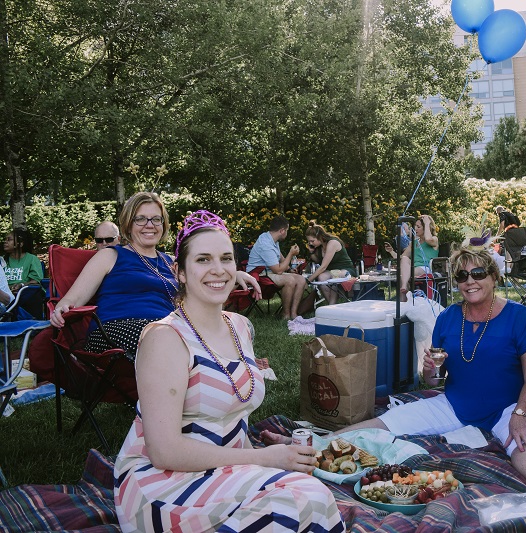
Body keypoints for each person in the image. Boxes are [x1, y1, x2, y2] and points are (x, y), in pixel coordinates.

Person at [265, 245, 526, 500]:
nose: (470, 281)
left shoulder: (517, 315)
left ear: (492, 276)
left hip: (511, 405)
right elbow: (435, 381)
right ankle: (304, 447)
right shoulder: (449, 317)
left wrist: (521, 414)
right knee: (377, 425)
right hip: (456, 403)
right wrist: (430, 371)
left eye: (478, 273)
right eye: (462, 275)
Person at [114, 210, 344, 533]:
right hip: (161, 484)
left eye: (226, 258)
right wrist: (266, 461)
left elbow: (235, 422)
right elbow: (163, 451)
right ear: (179, 272)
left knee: (306, 496)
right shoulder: (164, 338)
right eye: (203, 260)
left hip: (221, 469)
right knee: (302, 501)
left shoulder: (241, 327)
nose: (218, 270)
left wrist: (263, 464)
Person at [50, 192, 260, 354]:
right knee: (165, 336)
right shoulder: (111, 256)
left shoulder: (170, 262)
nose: (149, 225)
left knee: (238, 325)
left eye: (156, 219)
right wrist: (62, 307)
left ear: (163, 224)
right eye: (140, 219)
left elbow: (200, 285)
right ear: (128, 225)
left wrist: (234, 276)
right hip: (114, 332)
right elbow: (74, 297)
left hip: (170, 329)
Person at [247, 216, 308, 321]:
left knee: (301, 279)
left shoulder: (273, 240)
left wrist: (289, 269)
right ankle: (286, 315)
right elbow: (278, 270)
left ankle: (294, 314)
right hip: (259, 274)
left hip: (269, 272)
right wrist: (291, 253)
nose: (287, 233)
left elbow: (280, 257)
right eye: (287, 230)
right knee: (290, 280)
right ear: (282, 231)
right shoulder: (265, 243)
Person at [305, 221, 356, 305]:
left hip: (345, 269)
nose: (310, 243)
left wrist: (308, 280)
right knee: (321, 277)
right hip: (331, 270)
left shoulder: (332, 243)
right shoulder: (320, 246)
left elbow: (323, 267)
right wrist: (311, 252)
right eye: (309, 242)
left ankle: (332, 306)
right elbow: (318, 261)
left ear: (319, 237)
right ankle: (332, 306)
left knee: (336, 274)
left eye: (312, 241)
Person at [4, 228, 45, 318]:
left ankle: (34, 324)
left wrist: (21, 285)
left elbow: (36, 281)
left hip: (25, 293)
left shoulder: (31, 259)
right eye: (5, 239)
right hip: (5, 294)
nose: (5, 242)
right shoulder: (2, 260)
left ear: (20, 244)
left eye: (9, 239)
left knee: (34, 293)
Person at [397, 215, 439, 301]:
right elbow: (402, 257)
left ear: (426, 228)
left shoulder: (434, 239)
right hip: (413, 269)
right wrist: (391, 251)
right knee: (405, 260)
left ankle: (404, 302)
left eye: (418, 227)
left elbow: (428, 239)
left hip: (426, 268)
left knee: (404, 275)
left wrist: (427, 222)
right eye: (415, 226)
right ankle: (404, 291)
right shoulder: (414, 243)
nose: (415, 228)